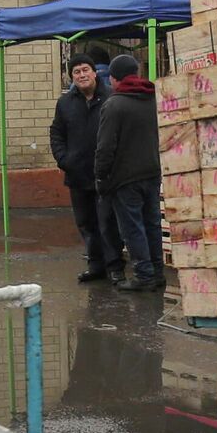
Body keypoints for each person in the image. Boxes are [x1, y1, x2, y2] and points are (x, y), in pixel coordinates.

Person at [50, 56, 125, 285]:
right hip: (78, 174)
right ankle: (95, 265)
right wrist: (64, 159)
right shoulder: (65, 103)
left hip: (106, 175)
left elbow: (122, 133)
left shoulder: (112, 98)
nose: (81, 75)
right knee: (86, 223)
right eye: (76, 72)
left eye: (85, 70)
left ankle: (115, 267)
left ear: (95, 72)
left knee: (108, 222)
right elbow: (56, 134)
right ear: (71, 77)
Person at [92, 54, 162, 292]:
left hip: (125, 178)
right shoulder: (153, 98)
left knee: (133, 227)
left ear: (114, 78)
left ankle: (144, 275)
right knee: (152, 223)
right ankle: (157, 272)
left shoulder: (114, 104)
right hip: (152, 171)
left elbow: (105, 147)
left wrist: (101, 177)